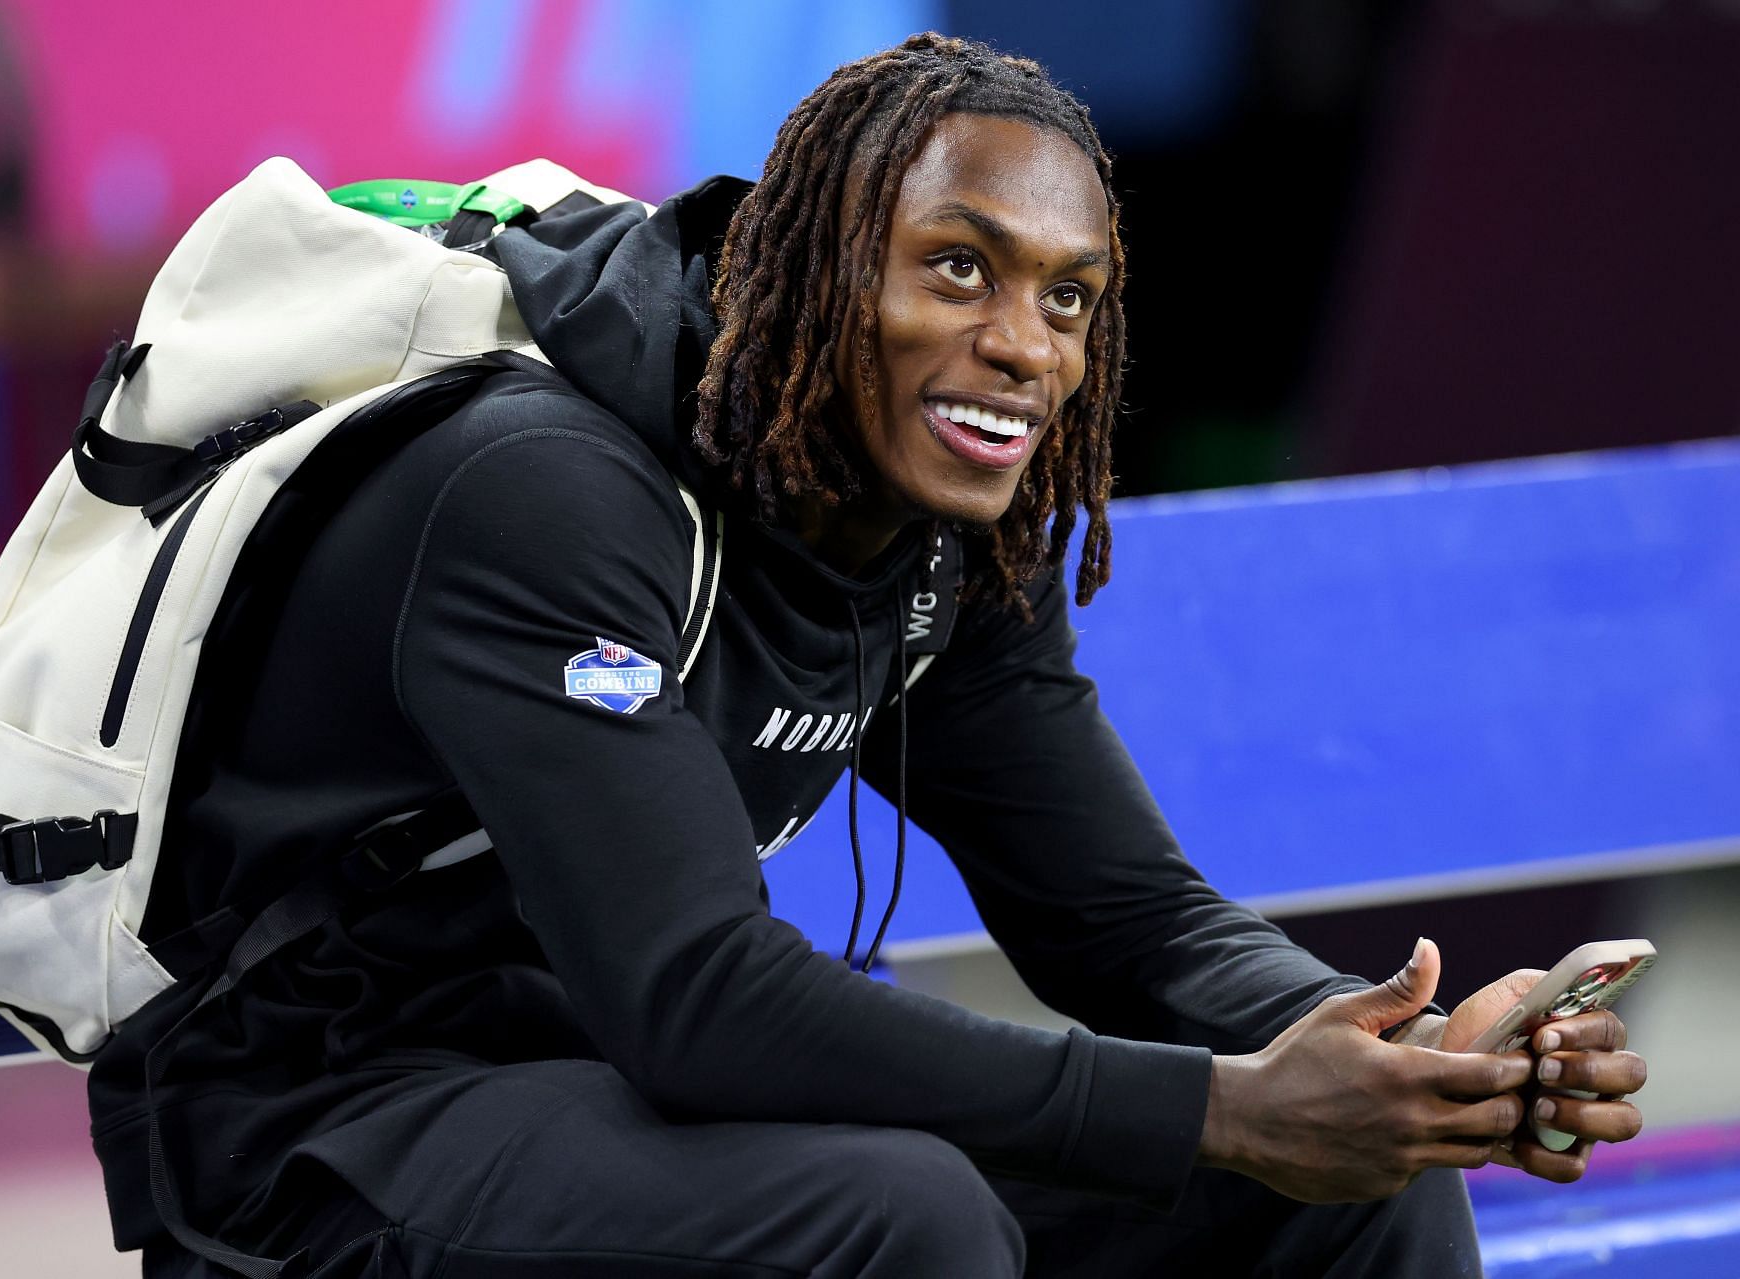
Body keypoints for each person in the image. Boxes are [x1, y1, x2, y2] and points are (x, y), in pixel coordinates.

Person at [89, 33, 1648, 1278]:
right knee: (901, 1219)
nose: (1026, 345)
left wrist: (1402, 1060)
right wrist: (1226, 1110)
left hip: (638, 1121)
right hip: (326, 1147)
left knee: (1353, 1201)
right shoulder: (539, 493)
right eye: (959, 268)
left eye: (1069, 297)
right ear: (821, 271)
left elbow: (1137, 925)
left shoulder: (946, 530)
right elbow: (696, 997)